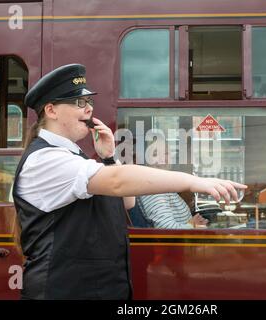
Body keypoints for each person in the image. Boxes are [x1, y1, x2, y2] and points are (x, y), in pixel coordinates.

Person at [13, 63, 247, 300]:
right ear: (51, 110)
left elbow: (127, 202)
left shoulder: (72, 157)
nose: (88, 110)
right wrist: (193, 182)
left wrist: (109, 157)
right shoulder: (45, 159)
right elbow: (117, 182)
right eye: (79, 103)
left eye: (89, 103)